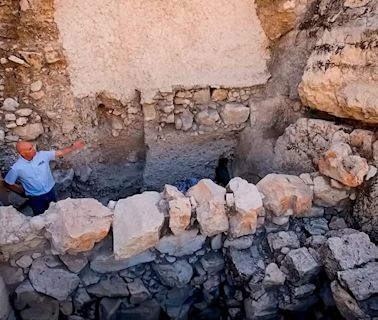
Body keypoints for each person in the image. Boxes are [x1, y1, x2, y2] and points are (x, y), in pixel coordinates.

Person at [2, 140, 85, 215]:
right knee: (40, 217)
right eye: (30, 148)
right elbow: (8, 182)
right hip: (35, 198)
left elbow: (59, 153)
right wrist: (21, 192)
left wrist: (73, 147)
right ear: (23, 153)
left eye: (32, 146)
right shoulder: (17, 168)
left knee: (54, 212)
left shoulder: (42, 155)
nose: (34, 149)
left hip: (51, 191)